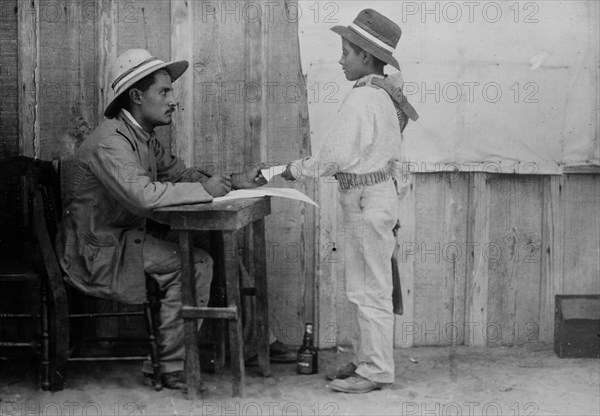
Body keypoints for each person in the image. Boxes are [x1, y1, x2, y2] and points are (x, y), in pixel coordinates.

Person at [55, 49, 266, 390]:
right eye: (164, 92)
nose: (173, 101)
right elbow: (143, 196)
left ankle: (251, 346)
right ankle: (167, 367)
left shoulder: (142, 137)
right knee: (193, 263)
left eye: (171, 92)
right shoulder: (111, 142)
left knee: (217, 248)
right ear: (137, 96)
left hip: (124, 240)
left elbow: (180, 174)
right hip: (97, 252)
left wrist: (231, 180)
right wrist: (208, 191)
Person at [282, 9, 418, 393]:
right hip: (373, 196)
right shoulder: (380, 95)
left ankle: (375, 370)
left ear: (366, 56)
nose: (341, 60)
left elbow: (333, 158)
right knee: (363, 285)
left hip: (366, 199)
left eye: (346, 52)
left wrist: (293, 169)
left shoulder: (364, 99)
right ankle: (366, 359)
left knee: (370, 288)